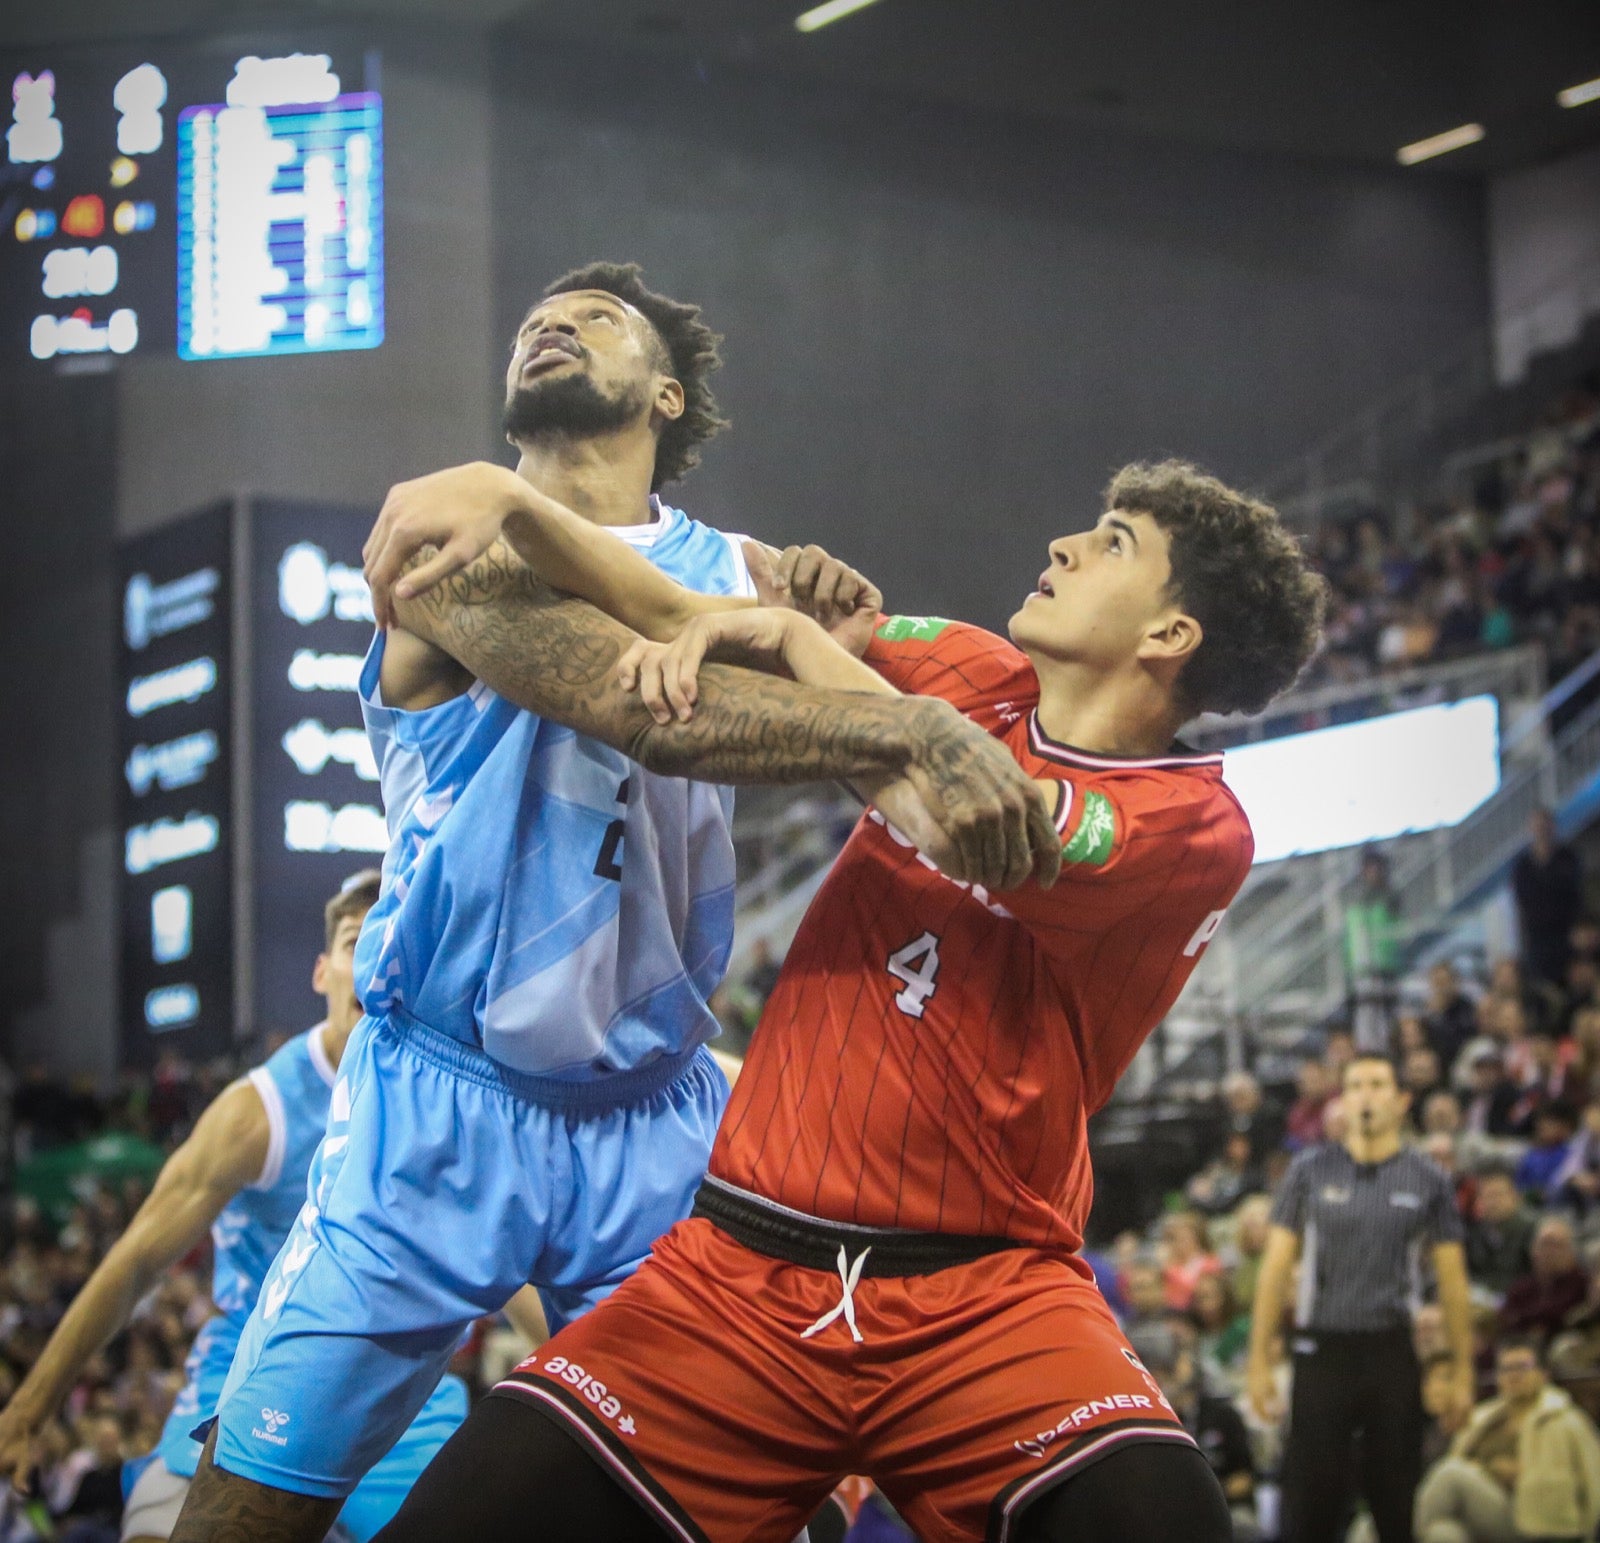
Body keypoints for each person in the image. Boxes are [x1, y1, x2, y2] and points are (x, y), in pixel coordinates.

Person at [174, 265, 1057, 1542]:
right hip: (438, 1104)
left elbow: (878, 674)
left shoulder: (744, 570)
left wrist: (836, 642)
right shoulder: (449, 537)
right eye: (536, 316)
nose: (549, 322)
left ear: (664, 392)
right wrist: (874, 711)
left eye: (592, 319)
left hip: (654, 1108)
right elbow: (640, 704)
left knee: (766, 1514)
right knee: (247, 1510)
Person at [375, 458, 1328, 1543]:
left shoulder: (1196, 826)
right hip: (736, 1276)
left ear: (1170, 636)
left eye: (1112, 542)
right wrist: (516, 510)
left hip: (987, 1294)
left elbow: (961, 814)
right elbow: (683, 610)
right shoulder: (968, 664)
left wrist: (798, 648)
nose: (1066, 546)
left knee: (1167, 1518)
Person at [0, 874, 491, 1543]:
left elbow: (507, 1269)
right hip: (258, 1368)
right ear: (322, 971)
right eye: (355, 939)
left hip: (405, 1378)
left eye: (393, 936)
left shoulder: (447, 1102)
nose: (378, 951)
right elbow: (140, 1254)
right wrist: (30, 1408)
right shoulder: (259, 1111)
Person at [1247, 1053, 1475, 1543]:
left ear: (1401, 1099)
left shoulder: (1428, 1178)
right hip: (1321, 1351)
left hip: (1391, 1349)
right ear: (1343, 1100)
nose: (1365, 1095)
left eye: (1376, 1084)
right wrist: (1258, 1363)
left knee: (1395, 1501)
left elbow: (1454, 1283)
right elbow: (1274, 1269)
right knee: (1311, 1501)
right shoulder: (1309, 1170)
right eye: (1354, 1086)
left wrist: (1462, 1370)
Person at [1414, 1333, 1600, 1543]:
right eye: (1506, 1369)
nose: (1513, 1375)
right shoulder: (1482, 1417)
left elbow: (1594, 1480)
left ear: (1543, 1374)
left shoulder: (1566, 1419)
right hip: (1483, 1512)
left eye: (1521, 1367)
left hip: (1537, 1523)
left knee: (1450, 1474)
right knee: (1443, 1533)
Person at [1512, 809, 1584, 989]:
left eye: (1544, 824)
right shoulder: (1522, 866)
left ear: (1552, 826)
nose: (1541, 829)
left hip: (1566, 934)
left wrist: (1579, 927)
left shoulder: (1568, 858)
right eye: (1537, 825)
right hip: (1537, 939)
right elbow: (1521, 905)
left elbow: (1577, 897)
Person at [1346, 848, 1403, 1053]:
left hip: (1385, 965)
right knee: (1365, 1013)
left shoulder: (1388, 897)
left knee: (1384, 1015)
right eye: (1367, 868)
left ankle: (1388, 1049)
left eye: (1375, 867)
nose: (1371, 872)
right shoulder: (1358, 902)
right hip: (1361, 968)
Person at [1498, 1217, 1588, 1342]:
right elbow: (1506, 1319)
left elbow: (1563, 1317)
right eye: (1544, 1244)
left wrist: (1527, 1319)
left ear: (1572, 1252)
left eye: (1556, 1245)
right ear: (1533, 1249)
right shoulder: (1521, 1287)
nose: (1549, 1252)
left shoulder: (1582, 1285)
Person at [1464, 1169, 1537, 1303]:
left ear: (1514, 1196)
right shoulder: (1475, 1229)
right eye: (1487, 1196)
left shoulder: (1531, 1228)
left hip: (1520, 1299)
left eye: (1498, 1195)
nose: (1493, 1202)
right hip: (1481, 1298)